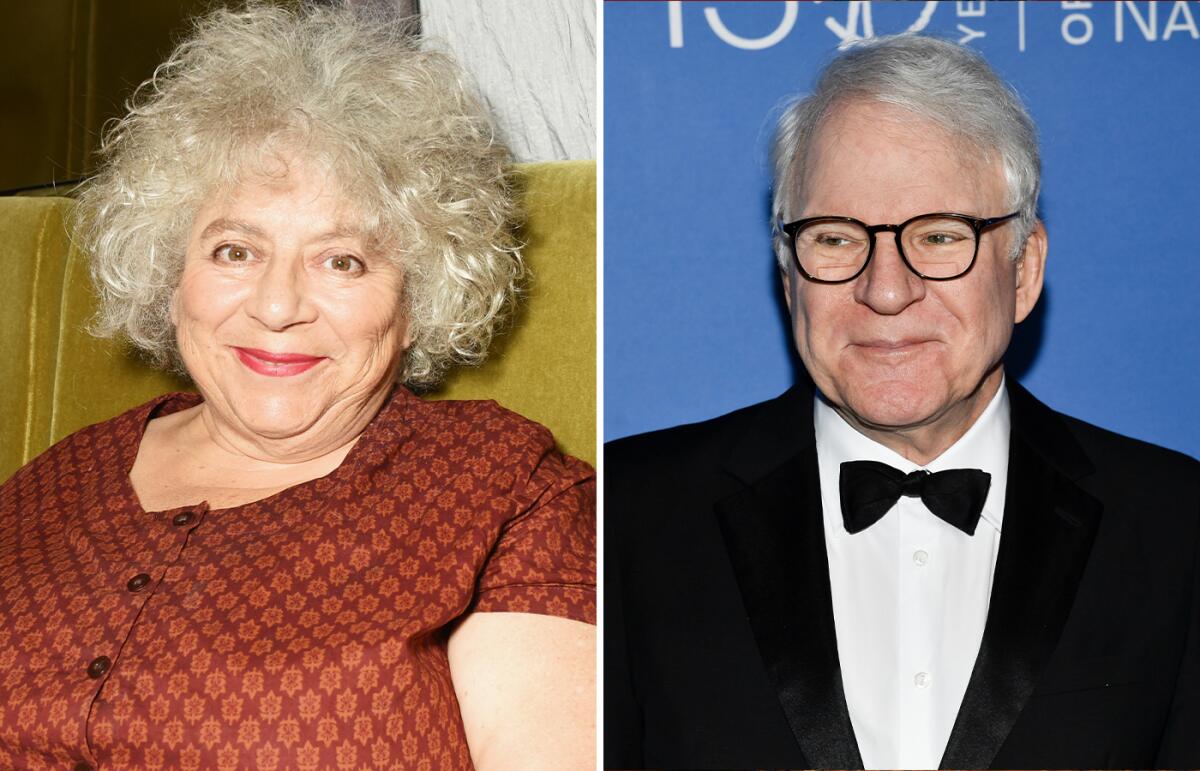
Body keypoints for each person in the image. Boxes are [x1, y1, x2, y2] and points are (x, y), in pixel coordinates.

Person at [0, 5, 594, 770]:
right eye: (235, 250)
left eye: (341, 260)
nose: (278, 306)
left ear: (416, 300)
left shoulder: (504, 491)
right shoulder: (49, 483)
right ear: (171, 278)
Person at [605, 34, 1199, 770]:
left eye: (940, 235)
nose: (885, 289)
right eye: (835, 238)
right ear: (788, 275)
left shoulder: (1177, 526)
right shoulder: (626, 516)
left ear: (1024, 268)